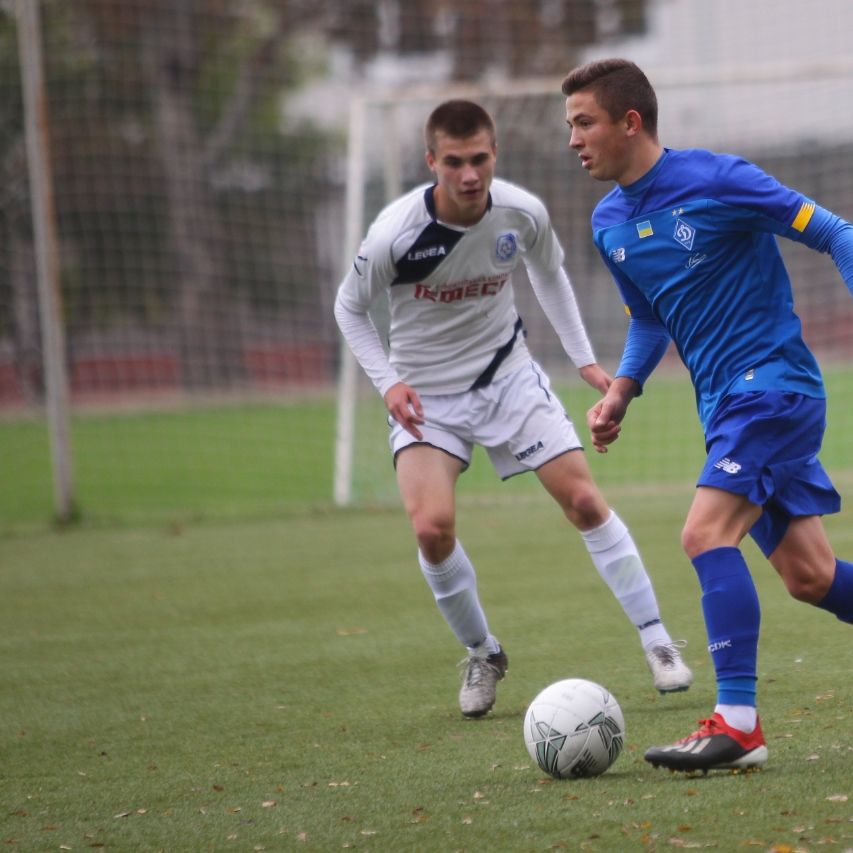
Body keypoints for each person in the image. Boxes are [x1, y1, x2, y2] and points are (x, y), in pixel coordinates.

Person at [334, 98, 692, 719]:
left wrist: (582, 359)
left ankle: (658, 641)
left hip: (509, 378)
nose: (469, 175)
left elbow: (550, 273)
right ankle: (483, 652)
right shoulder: (394, 233)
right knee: (431, 529)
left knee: (584, 500)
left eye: (479, 160)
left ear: (494, 155)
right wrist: (388, 382)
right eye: (454, 163)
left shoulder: (520, 213)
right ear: (432, 162)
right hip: (427, 397)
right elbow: (349, 309)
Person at [561, 58, 853, 772]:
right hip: (727, 405)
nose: (572, 139)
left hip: (772, 392)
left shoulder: (719, 179)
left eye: (582, 122)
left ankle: (737, 722)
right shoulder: (608, 222)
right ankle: (738, 721)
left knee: (702, 533)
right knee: (809, 575)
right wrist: (621, 390)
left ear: (629, 122)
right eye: (569, 125)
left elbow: (835, 233)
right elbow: (648, 319)